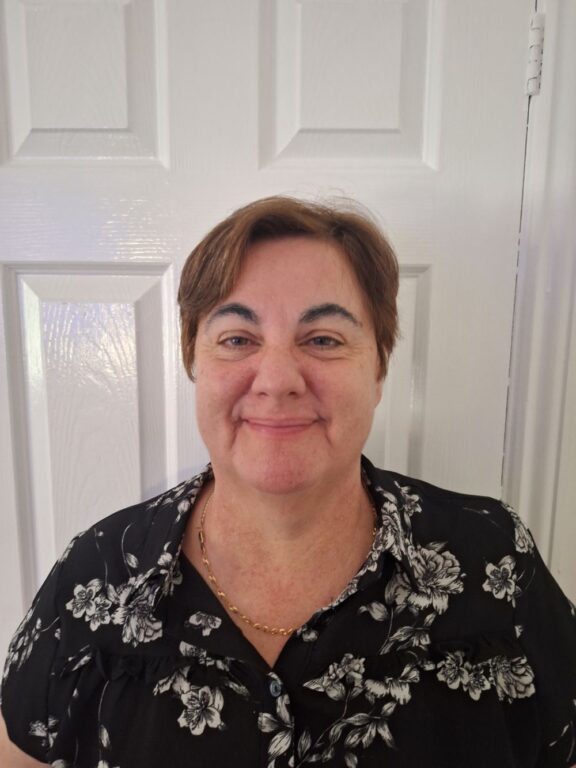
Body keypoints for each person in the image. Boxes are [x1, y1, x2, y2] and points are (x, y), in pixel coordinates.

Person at [1, 196, 575, 768]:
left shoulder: (495, 561)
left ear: (378, 369)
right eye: (237, 339)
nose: (277, 381)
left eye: (323, 339)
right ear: (194, 363)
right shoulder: (97, 576)